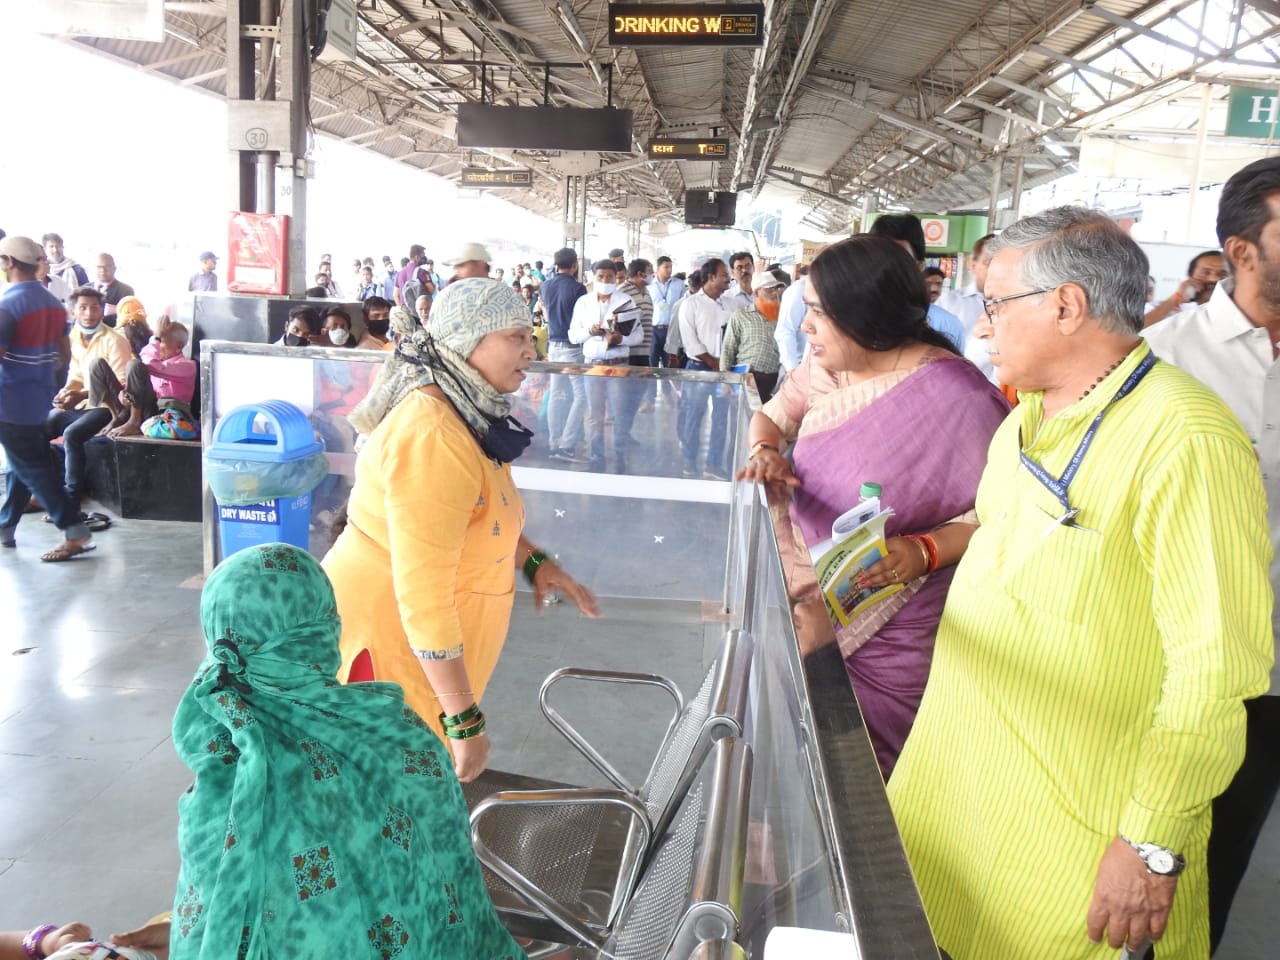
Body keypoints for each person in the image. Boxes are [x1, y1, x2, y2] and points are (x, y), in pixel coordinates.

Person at [886, 207, 1274, 960]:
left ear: (1065, 305)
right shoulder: (1024, 421)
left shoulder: (1186, 440)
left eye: (995, 305)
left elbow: (1217, 672)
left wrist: (1152, 842)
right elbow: (1005, 534)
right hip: (958, 797)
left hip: (1077, 835)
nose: (985, 328)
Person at [169, 543, 524, 960]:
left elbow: (207, 922)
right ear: (323, 630)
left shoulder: (223, 775)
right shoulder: (402, 735)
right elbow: (451, 888)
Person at [737, 236, 1007, 776]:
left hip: (895, 630)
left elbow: (1000, 521)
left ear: (864, 315)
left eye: (817, 313)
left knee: (864, 779)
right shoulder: (826, 368)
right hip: (795, 594)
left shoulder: (961, 400)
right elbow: (769, 416)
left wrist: (923, 551)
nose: (804, 327)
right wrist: (765, 450)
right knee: (786, 760)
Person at [324, 279, 599, 777]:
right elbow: (424, 594)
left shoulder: (464, 410)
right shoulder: (433, 432)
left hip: (419, 655)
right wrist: (463, 720)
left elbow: (478, 517)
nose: (530, 349)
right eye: (515, 336)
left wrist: (534, 562)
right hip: (391, 654)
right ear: (471, 340)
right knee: (385, 800)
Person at [1142, 156, 1280, 952]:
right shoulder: (1165, 355)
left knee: (1223, 857)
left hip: (1273, 671)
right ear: (1242, 250)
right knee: (1147, 843)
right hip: (1172, 660)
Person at [0, 236, 94, 561]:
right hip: (37, 398)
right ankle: (5, 525)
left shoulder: (8, 305)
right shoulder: (54, 305)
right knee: (20, 462)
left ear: (9, 263)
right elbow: (63, 354)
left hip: (9, 400)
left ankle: (73, 528)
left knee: (31, 465)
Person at [47, 286, 131, 517]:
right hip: (83, 405)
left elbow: (120, 386)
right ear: (73, 311)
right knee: (44, 426)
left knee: (72, 435)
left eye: (95, 307)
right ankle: (43, 493)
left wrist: (81, 395)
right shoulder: (73, 337)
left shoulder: (115, 339)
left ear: (102, 311)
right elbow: (75, 376)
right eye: (83, 308)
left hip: (108, 407)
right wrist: (64, 395)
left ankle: (71, 502)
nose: (89, 313)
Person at [569, 260, 641, 473]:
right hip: (593, 366)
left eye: (609, 277)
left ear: (616, 276)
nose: (605, 281)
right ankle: (596, 456)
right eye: (600, 277)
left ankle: (619, 456)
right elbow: (573, 336)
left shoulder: (626, 301)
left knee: (620, 413)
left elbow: (638, 335)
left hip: (618, 365)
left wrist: (622, 340)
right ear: (594, 277)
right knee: (595, 414)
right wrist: (589, 332)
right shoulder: (583, 302)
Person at [867, 214, 967, 353]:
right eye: (879, 256)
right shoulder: (844, 317)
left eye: (900, 258)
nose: (887, 266)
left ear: (919, 265)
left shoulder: (946, 327)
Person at [677, 257, 733, 479]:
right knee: (693, 415)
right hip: (699, 368)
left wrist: (725, 367)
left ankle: (713, 464)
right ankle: (689, 460)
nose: (728, 278)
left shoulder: (729, 304)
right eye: (724, 274)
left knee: (721, 419)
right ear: (711, 277)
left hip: (725, 371)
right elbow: (690, 342)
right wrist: (714, 363)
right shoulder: (691, 304)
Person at [98, 318, 196, 438]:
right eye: (157, 342)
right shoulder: (159, 363)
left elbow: (149, 364)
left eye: (161, 341)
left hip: (162, 412)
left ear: (178, 347)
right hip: (141, 408)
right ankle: (116, 418)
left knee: (134, 364)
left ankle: (134, 422)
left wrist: (155, 337)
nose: (157, 346)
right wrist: (124, 392)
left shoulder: (187, 366)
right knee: (98, 366)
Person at [542, 247, 589, 462]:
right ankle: (567, 445)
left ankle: (553, 442)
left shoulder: (545, 286)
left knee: (556, 394)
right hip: (572, 348)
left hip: (553, 346)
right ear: (574, 265)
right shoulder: (578, 289)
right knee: (581, 396)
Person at [721, 270, 785, 402]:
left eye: (776, 289)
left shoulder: (782, 316)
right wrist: (726, 381)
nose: (774, 293)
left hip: (774, 380)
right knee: (743, 419)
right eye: (769, 289)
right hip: (747, 378)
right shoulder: (740, 316)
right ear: (756, 292)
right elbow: (728, 349)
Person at [1144, 249, 1230, 327]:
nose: (1213, 279)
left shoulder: (1233, 311)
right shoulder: (1163, 307)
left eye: (1223, 274)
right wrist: (1175, 299)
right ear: (1190, 275)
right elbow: (1136, 331)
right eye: (1206, 272)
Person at [649, 255, 685, 370]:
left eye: (670, 267)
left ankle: (670, 388)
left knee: (670, 365)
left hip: (671, 330)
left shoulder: (679, 284)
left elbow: (683, 305)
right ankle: (650, 387)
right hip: (653, 329)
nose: (669, 270)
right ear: (658, 269)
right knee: (651, 364)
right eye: (666, 267)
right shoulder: (649, 285)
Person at [93, 253, 135, 321]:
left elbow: (128, 318)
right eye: (99, 267)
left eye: (107, 266)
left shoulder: (126, 291)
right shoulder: (84, 289)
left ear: (114, 269)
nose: (102, 270)